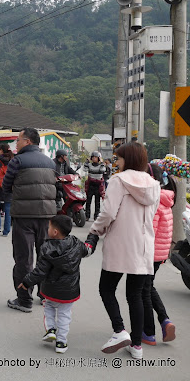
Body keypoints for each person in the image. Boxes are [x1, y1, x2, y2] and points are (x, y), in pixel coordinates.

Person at [89, 142, 160, 359]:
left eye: (119, 158)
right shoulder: (154, 184)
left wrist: (95, 231)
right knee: (135, 295)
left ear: (127, 159)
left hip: (121, 244)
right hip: (144, 245)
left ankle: (119, 330)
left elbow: (108, 212)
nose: (116, 162)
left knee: (106, 288)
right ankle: (137, 346)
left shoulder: (119, 180)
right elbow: (152, 213)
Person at [19, 215, 96, 354]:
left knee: (48, 306)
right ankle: (61, 342)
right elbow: (88, 250)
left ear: (55, 232)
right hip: (69, 290)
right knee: (65, 314)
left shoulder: (47, 247)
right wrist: (92, 236)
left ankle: (51, 329)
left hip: (51, 289)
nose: (47, 229)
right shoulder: (76, 244)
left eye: (49, 227)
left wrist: (26, 282)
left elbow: (40, 271)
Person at [3, 127, 57, 313]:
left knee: (24, 258)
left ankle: (24, 299)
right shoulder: (50, 162)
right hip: (47, 217)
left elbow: (6, 186)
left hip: (23, 217)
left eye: (18, 140)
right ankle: (45, 295)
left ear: (27, 141)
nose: (16, 143)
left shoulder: (17, 161)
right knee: (46, 256)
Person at [142, 163, 176, 345]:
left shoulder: (155, 200)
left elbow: (150, 230)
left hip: (150, 252)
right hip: (160, 253)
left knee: (143, 291)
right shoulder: (167, 198)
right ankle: (164, 320)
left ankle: (148, 333)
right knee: (149, 286)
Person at [84, 151, 106, 221]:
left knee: (97, 202)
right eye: (93, 157)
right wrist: (86, 163)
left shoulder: (101, 166)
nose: (94, 159)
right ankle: (87, 215)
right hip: (90, 184)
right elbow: (85, 170)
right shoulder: (89, 165)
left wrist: (102, 163)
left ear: (99, 158)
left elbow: (102, 170)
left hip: (98, 185)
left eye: (96, 157)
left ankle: (96, 215)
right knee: (88, 201)